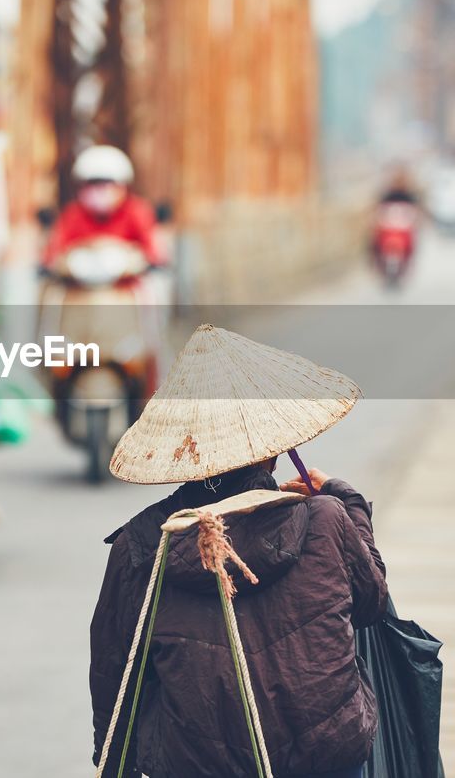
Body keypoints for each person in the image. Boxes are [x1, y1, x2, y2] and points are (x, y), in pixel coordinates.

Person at [90, 324, 388, 778]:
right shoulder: (326, 518)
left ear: (181, 456)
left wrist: (115, 767)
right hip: (326, 757)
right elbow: (372, 602)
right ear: (271, 453)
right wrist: (347, 502)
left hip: (199, 765)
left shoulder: (140, 546)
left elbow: (115, 671)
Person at [42, 145, 164, 268]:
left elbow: (153, 250)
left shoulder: (137, 211)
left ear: (123, 186)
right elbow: (54, 252)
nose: (99, 191)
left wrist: (151, 261)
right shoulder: (72, 214)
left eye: (107, 184)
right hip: (77, 284)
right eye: (93, 184)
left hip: (129, 284)